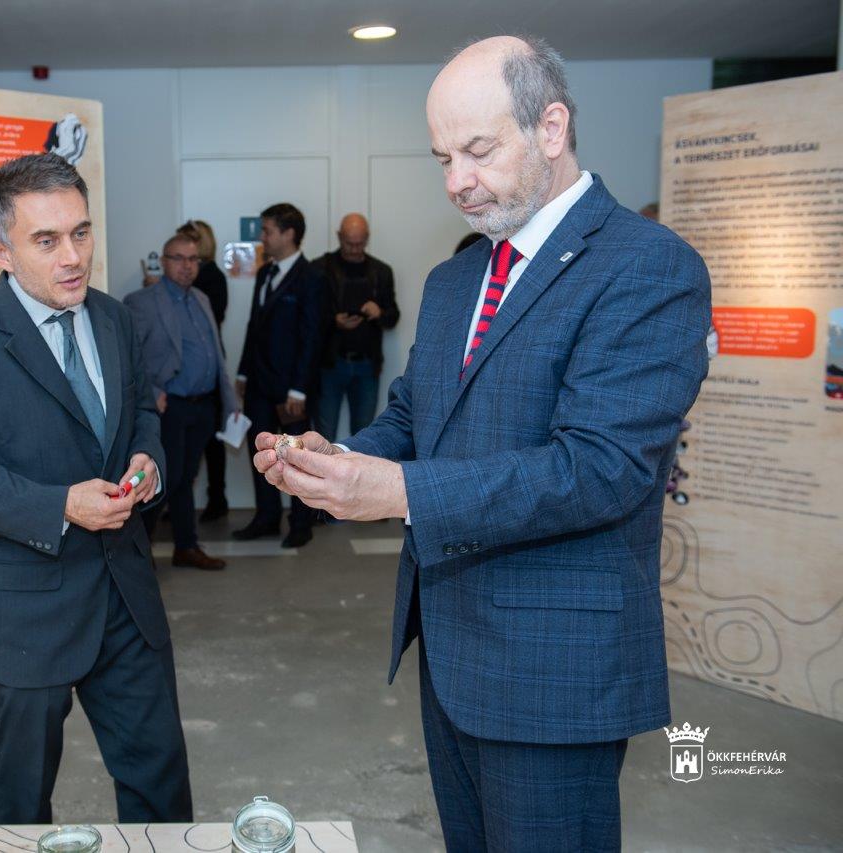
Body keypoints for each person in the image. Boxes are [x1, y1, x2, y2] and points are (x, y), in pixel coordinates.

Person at [254, 36, 710, 851]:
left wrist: (398, 492)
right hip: (452, 648)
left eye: (477, 150)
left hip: (554, 667)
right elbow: (415, 415)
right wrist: (340, 459)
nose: (456, 181)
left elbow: (598, 469)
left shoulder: (648, 266)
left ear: (551, 128)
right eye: (442, 158)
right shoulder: (456, 278)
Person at [0, 153, 192, 826]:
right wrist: (62, 504)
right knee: (25, 796)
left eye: (81, 232)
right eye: (46, 240)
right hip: (28, 614)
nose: (73, 257)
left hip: (126, 598)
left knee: (159, 782)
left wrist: (148, 464)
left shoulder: (114, 320)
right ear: (2, 253)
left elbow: (142, 414)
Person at [124, 232, 239, 570]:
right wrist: (151, 391)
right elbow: (128, 357)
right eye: (178, 258)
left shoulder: (201, 298)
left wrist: (230, 401)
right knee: (166, 479)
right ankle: (136, 552)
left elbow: (216, 354)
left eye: (193, 259)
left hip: (203, 405)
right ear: (164, 261)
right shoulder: (142, 301)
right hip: (168, 406)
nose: (187, 266)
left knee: (186, 478)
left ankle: (185, 547)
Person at [234, 202, 326, 549]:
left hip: (291, 389)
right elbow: (253, 327)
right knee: (261, 452)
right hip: (259, 383)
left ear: (289, 234)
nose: (262, 238)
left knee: (298, 456)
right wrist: (243, 372)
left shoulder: (311, 277)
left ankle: (301, 522)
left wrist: (299, 390)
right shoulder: (264, 273)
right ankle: (266, 517)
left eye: (267, 231)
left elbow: (312, 337)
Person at [313, 214, 400, 442]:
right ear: (339, 236)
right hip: (330, 363)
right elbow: (308, 318)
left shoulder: (381, 271)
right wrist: (334, 321)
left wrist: (379, 313)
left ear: (367, 238)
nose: (354, 249)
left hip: (367, 365)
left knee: (364, 437)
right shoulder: (320, 268)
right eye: (349, 243)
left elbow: (393, 317)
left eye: (359, 243)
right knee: (323, 435)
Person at [177, 220, 232, 522]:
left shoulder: (212, 277)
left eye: (191, 240)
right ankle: (181, 500)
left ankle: (217, 498)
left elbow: (213, 315)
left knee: (213, 440)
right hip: (186, 368)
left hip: (208, 365)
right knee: (187, 442)